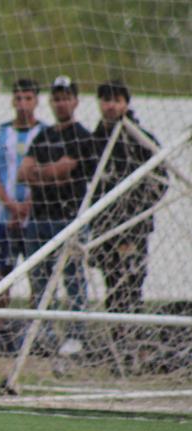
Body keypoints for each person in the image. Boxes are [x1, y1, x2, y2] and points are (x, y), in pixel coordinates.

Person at [16, 75, 98, 356]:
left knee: (73, 278)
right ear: (50, 102)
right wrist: (48, 174)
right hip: (39, 217)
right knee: (39, 280)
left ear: (75, 100)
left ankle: (75, 335)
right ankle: (45, 335)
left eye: (66, 97)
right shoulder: (44, 135)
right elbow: (23, 173)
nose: (61, 103)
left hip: (69, 217)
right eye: (57, 98)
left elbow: (63, 171)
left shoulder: (83, 136)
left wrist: (44, 173)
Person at [89, 80, 167, 317]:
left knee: (132, 283)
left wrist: (136, 212)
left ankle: (133, 342)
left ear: (126, 103)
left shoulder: (141, 140)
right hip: (104, 226)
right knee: (112, 285)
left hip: (133, 227)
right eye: (106, 100)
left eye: (116, 100)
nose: (110, 106)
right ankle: (116, 341)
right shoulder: (95, 140)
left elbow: (161, 180)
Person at [0, 79, 47, 352]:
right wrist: (11, 205)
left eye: (28, 98)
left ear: (36, 101)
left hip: (35, 217)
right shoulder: (1, 133)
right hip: (3, 217)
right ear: (12, 101)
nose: (23, 104)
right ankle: (0, 331)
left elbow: (45, 170)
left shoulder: (46, 133)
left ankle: (37, 331)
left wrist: (29, 204)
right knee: (2, 274)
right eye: (18, 98)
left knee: (38, 275)